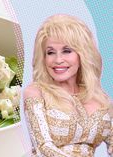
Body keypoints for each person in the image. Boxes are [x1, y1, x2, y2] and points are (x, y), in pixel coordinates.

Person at [23, 14, 113, 157]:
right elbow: (43, 147)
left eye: (67, 51)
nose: (58, 60)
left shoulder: (100, 98)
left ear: (82, 54)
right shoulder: (36, 92)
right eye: (50, 52)